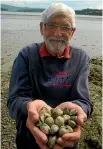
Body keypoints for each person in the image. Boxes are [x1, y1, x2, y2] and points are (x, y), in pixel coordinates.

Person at [7, 2, 93, 149]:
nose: (58, 33)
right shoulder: (27, 55)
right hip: (29, 139)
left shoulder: (81, 58)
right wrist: (29, 107)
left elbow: (84, 102)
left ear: (72, 32)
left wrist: (79, 109)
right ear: (42, 28)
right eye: (51, 25)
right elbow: (14, 100)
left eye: (65, 27)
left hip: (65, 140)